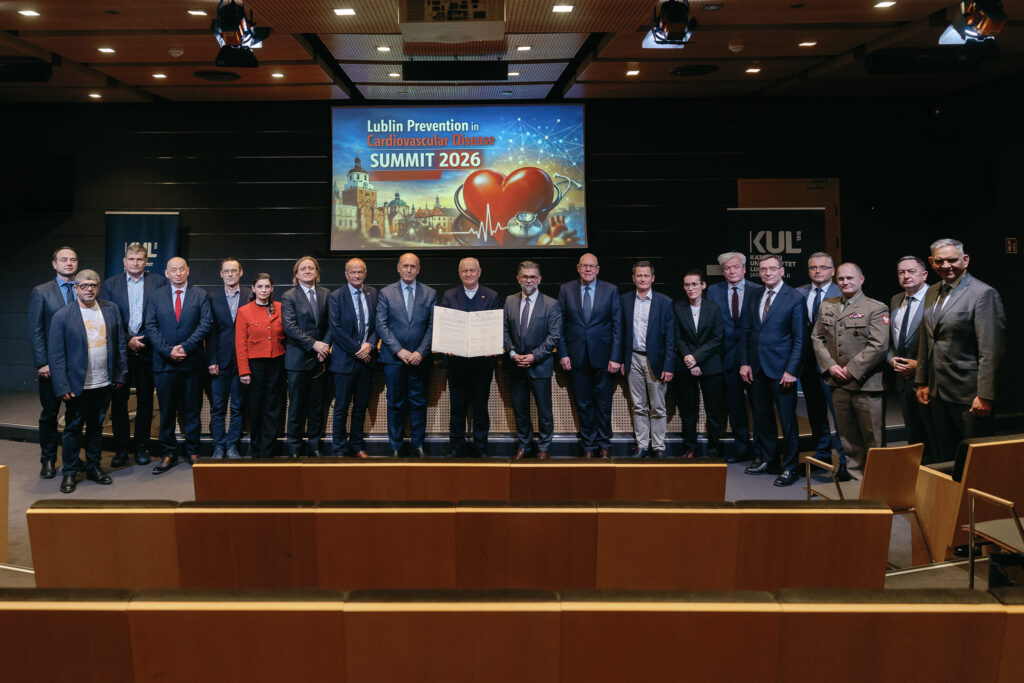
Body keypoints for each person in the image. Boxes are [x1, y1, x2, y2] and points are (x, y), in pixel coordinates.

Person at [915, 238, 1007, 464]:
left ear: (965, 260)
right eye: (939, 261)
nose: (946, 265)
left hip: (970, 395)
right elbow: (927, 339)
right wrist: (922, 382)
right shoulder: (932, 291)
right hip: (937, 392)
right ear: (931, 262)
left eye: (952, 260)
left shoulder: (983, 293)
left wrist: (985, 395)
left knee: (977, 462)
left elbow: (991, 349)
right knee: (946, 458)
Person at [47, 270, 127, 493]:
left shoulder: (111, 309)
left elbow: (120, 344)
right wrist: (61, 385)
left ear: (99, 287)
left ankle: (93, 467)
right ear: (76, 288)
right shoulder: (62, 316)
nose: (89, 289)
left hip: (104, 381)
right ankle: (70, 472)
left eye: (93, 285)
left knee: (96, 427)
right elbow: (56, 355)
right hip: (76, 384)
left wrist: (120, 374)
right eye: (84, 286)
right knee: (73, 429)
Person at [811, 263, 889, 476]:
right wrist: (830, 366)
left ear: (861, 279)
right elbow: (817, 338)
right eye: (841, 279)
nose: (845, 282)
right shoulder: (827, 306)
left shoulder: (875, 308)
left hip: (866, 384)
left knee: (873, 438)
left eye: (850, 278)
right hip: (837, 383)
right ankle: (855, 480)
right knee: (847, 438)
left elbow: (879, 345)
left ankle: (876, 482)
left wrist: (851, 370)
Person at [739, 255, 805, 487]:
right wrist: (745, 362)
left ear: (782, 271)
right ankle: (769, 460)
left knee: (787, 422)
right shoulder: (755, 294)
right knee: (762, 419)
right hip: (757, 368)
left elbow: (799, 339)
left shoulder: (794, 298)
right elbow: (747, 332)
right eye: (763, 269)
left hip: (782, 371)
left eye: (772, 269)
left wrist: (792, 370)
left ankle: (790, 467)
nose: (767, 273)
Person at [145, 256, 212, 474]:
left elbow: (205, 324)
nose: (178, 273)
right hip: (164, 363)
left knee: (193, 410)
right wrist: (168, 351)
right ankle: (168, 453)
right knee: (166, 412)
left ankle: (193, 451)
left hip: (192, 362)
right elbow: (151, 326)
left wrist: (185, 347)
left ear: (188, 271)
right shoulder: (156, 296)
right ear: (166, 273)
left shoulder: (200, 294)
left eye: (181, 269)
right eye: (173, 270)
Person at [103, 242, 165, 468]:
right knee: (119, 401)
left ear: (146, 261)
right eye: (131, 259)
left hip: (148, 349)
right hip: (122, 351)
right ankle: (121, 448)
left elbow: (162, 314)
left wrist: (144, 339)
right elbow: (108, 318)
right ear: (124, 261)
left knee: (146, 400)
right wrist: (127, 339)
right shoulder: (110, 285)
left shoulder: (158, 282)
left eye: (140, 259)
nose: (135, 263)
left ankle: (142, 446)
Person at [558, 252, 623, 458]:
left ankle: (604, 444)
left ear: (597, 269)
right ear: (578, 268)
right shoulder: (566, 289)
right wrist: (563, 353)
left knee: (603, 405)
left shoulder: (610, 290)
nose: (588, 269)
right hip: (576, 357)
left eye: (592, 266)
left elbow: (618, 326)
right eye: (584, 266)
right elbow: (560, 325)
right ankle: (588, 445)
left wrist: (616, 356)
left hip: (604, 357)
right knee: (584, 404)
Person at [376, 252, 437, 457]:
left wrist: (421, 351)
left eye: (413, 266)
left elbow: (433, 326)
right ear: (398, 268)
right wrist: (399, 350)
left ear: (418, 270)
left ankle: (418, 444)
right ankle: (395, 446)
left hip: (420, 359)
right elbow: (381, 325)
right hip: (394, 359)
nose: (409, 270)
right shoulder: (386, 293)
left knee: (419, 402)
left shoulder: (430, 293)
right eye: (405, 266)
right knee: (395, 403)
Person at [439, 257, 501, 457]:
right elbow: (445, 326)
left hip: (482, 363)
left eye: (472, 270)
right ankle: (456, 447)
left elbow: (495, 327)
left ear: (479, 272)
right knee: (457, 408)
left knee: (481, 407)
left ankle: (480, 446)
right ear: (459, 273)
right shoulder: (449, 296)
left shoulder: (491, 296)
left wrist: (492, 345)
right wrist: (447, 344)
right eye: (464, 271)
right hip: (456, 363)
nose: (468, 274)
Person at [706, 251, 763, 463]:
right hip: (727, 359)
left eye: (736, 267)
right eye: (727, 268)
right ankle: (742, 450)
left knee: (759, 408)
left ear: (744, 269)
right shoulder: (713, 291)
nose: (731, 271)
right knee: (735, 407)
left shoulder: (758, 290)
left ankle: (761, 452)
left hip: (754, 359)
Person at [28, 246, 79, 479]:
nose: (69, 263)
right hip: (51, 366)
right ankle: (48, 459)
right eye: (64, 259)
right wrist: (42, 363)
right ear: (54, 264)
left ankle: (72, 458)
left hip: (77, 366)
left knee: (76, 416)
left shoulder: (84, 289)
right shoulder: (41, 292)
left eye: (73, 260)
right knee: (50, 414)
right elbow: (36, 330)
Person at [504, 260, 561, 459]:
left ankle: (544, 448)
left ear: (539, 279)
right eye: (525, 277)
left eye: (532, 277)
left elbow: (554, 336)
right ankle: (524, 445)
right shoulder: (510, 301)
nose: (529, 280)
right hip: (516, 365)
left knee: (544, 411)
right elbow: (504, 331)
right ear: (518, 279)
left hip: (540, 366)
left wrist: (534, 356)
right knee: (520, 411)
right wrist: (512, 353)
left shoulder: (551, 304)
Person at [795, 252, 847, 469]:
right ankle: (822, 454)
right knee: (815, 412)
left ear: (832, 271)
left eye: (823, 267)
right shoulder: (798, 293)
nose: (818, 271)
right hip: (807, 365)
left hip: (833, 365)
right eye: (813, 267)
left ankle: (845, 462)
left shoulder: (843, 293)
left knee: (840, 415)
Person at [621, 260, 674, 458]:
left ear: (653, 278)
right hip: (633, 358)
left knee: (658, 406)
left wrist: (669, 365)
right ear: (633, 278)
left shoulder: (665, 302)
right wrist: (622, 359)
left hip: (656, 361)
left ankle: (658, 446)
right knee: (638, 405)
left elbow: (670, 337)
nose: (642, 279)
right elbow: (621, 332)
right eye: (639, 275)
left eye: (646, 275)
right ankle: (642, 445)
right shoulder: (624, 300)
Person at [280, 256, 332, 458]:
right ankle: (294, 447)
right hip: (298, 360)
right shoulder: (289, 296)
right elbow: (290, 327)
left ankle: (314, 446)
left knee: (317, 407)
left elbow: (331, 325)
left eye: (311, 268)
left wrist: (324, 346)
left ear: (317, 272)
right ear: (297, 273)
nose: (308, 271)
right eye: (303, 268)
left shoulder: (326, 294)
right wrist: (314, 344)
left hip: (321, 360)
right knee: (296, 407)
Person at [888, 255, 936, 463]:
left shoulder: (936, 298)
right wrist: (891, 359)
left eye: (911, 271)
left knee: (934, 436)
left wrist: (920, 366)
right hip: (902, 379)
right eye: (901, 272)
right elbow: (891, 338)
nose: (906, 276)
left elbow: (941, 343)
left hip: (928, 380)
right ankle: (919, 474)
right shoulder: (896, 299)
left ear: (924, 275)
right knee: (914, 436)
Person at [327, 258, 378, 459]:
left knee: (360, 406)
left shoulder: (373, 293)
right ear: (346, 274)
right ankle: (339, 448)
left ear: (365, 273)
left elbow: (378, 325)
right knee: (341, 408)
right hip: (345, 361)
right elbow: (336, 329)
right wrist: (359, 350)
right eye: (353, 272)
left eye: (360, 272)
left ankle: (357, 445)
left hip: (367, 361)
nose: (357, 275)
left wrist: (370, 345)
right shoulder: (336, 296)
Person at [673, 270, 725, 458]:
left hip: (710, 365)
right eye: (687, 285)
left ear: (703, 285)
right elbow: (678, 337)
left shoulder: (714, 308)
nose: (690, 288)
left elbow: (717, 338)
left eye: (694, 284)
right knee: (688, 410)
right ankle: (690, 448)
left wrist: (696, 358)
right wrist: (690, 359)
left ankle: (713, 449)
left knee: (714, 411)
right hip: (685, 366)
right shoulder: (678, 307)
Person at [236, 274, 286, 459]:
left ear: (272, 289)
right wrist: (244, 370)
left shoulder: (280, 307)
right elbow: (240, 343)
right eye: (260, 286)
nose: (263, 290)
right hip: (254, 365)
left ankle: (268, 452)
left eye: (267, 286)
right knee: (255, 407)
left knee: (273, 408)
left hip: (276, 362)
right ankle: (256, 451)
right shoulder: (244, 311)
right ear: (253, 288)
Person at [206, 257, 248, 459]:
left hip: (242, 361)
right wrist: (212, 359)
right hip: (219, 361)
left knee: (238, 407)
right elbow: (210, 332)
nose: (230, 274)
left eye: (234, 270)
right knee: (218, 408)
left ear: (241, 272)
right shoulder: (212, 297)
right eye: (226, 271)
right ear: (221, 274)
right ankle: (218, 446)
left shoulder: (250, 294)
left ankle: (232, 446)